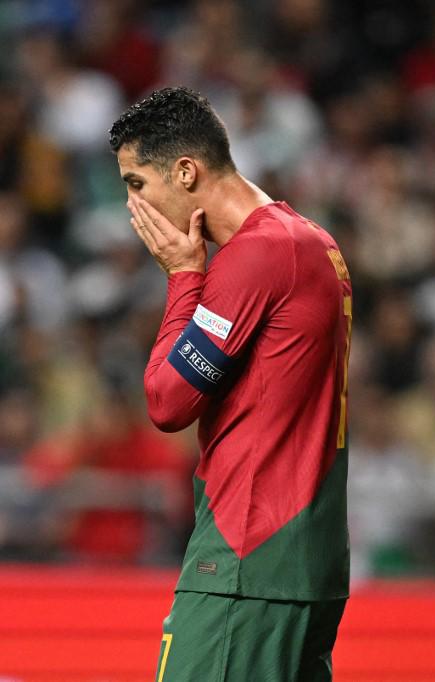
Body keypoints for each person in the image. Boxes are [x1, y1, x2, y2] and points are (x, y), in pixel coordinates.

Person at [109, 87, 353, 681]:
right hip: (306, 558)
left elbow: (168, 402)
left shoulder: (256, 255)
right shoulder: (312, 241)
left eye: (136, 184)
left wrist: (183, 277)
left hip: (246, 557)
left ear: (185, 172)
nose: (131, 207)